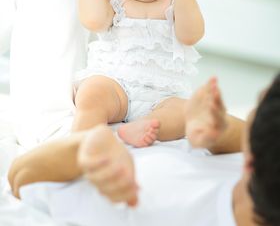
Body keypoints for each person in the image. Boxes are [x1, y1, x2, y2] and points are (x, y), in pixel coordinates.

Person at [7, 74, 280, 225]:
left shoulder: (147, 207)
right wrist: (221, 132)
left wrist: (87, 144)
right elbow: (237, 134)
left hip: (59, 136)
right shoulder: (265, 175)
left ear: (250, 164)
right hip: (118, 121)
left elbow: (20, 180)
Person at [72, 0, 205, 147]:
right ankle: (83, 137)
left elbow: (191, 35)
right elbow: (92, 20)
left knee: (188, 112)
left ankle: (143, 127)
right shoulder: (117, 2)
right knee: (92, 95)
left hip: (163, 95)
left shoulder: (176, 3)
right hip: (115, 83)